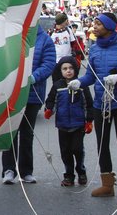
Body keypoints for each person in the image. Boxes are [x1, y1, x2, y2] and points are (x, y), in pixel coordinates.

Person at [71, 12, 117, 198]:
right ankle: (107, 184)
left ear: (109, 27)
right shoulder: (94, 48)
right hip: (100, 103)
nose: (94, 27)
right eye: (94, 23)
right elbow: (91, 77)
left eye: (98, 24)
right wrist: (79, 82)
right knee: (102, 144)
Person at [2, 21, 56, 185]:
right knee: (11, 133)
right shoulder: (12, 37)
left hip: (33, 94)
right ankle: (8, 170)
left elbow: (49, 64)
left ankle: (26, 171)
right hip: (12, 94)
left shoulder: (45, 40)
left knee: (27, 133)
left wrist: (33, 77)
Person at [45, 56, 93, 187]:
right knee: (65, 151)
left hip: (78, 124)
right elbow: (50, 100)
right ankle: (69, 175)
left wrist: (89, 120)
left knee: (77, 149)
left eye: (71, 68)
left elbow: (89, 104)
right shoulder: (57, 86)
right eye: (65, 68)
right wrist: (49, 109)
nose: (68, 71)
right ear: (60, 71)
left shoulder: (81, 85)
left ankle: (81, 171)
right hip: (63, 125)